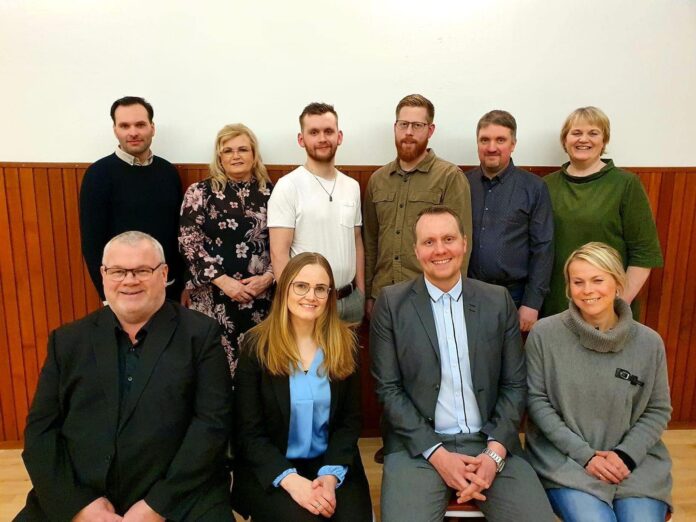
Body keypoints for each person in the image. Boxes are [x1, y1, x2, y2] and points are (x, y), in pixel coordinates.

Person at [16, 231, 233, 521]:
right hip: (81, 497)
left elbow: (212, 425)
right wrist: (79, 506)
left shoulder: (201, 335)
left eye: (142, 270)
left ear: (164, 274)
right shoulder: (67, 341)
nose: (130, 280)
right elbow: (40, 431)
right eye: (118, 271)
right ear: (103, 275)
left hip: (179, 498)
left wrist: (157, 506)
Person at [370, 206, 554, 522]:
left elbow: (514, 385)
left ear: (464, 243)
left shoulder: (497, 301)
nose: (440, 250)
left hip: (490, 441)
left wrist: (494, 454)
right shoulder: (391, 303)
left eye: (448, 239)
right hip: (419, 446)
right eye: (428, 242)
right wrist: (438, 456)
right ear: (416, 250)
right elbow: (388, 390)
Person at [525, 242, 672, 521]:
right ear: (568, 287)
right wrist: (586, 456)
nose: (587, 290)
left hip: (634, 463)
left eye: (597, 280)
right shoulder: (544, 334)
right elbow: (536, 402)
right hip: (566, 462)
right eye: (578, 282)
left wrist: (625, 456)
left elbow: (657, 410)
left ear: (618, 283)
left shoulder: (649, 343)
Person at [231, 252, 372, 522]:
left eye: (320, 288)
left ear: (330, 295)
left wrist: (329, 477)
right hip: (274, 467)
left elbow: (349, 422)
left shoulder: (347, 344)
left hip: (331, 462)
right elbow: (248, 432)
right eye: (301, 286)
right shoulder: (256, 346)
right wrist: (292, 482)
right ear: (285, 289)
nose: (311, 296)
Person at [543, 106, 663, 318]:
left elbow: (644, 254)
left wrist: (618, 303)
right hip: (556, 303)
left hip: (607, 306)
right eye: (576, 133)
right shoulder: (546, 186)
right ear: (565, 140)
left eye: (593, 133)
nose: (583, 139)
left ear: (604, 140)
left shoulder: (625, 184)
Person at [363, 94, 472, 318]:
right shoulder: (378, 180)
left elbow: (460, 245)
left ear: (430, 130)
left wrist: (452, 298)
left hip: (430, 298)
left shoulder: (449, 177)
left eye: (417, 125)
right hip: (383, 296)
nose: (409, 132)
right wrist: (369, 294)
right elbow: (370, 241)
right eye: (403, 124)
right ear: (395, 127)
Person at [179, 124, 274, 375]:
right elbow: (189, 242)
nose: (236, 156)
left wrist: (268, 278)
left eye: (243, 149)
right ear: (219, 157)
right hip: (212, 297)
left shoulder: (273, 193)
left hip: (260, 297)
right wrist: (224, 282)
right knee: (213, 369)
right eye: (228, 150)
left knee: (257, 368)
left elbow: (287, 242)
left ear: (254, 154)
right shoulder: (199, 192)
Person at [80, 96, 184, 301]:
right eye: (125, 125)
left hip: (168, 287)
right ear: (115, 130)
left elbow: (179, 234)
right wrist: (106, 296)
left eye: (140, 125)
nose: (133, 132)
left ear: (152, 128)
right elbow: (92, 242)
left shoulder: (168, 172)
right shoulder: (98, 175)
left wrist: (181, 284)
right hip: (124, 291)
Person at [268, 103, 364, 323]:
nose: (322, 138)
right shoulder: (288, 186)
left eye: (328, 131)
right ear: (301, 139)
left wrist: (360, 291)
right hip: (309, 303)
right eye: (314, 132)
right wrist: (291, 301)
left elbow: (357, 241)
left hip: (350, 300)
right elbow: (279, 253)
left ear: (339, 136)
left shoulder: (352, 186)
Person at [465, 110, 553, 332]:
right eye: (484, 140)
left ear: (513, 144)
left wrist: (532, 303)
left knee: (510, 354)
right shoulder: (462, 184)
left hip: (514, 296)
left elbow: (543, 248)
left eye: (500, 140)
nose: (491, 147)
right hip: (468, 293)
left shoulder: (534, 187)